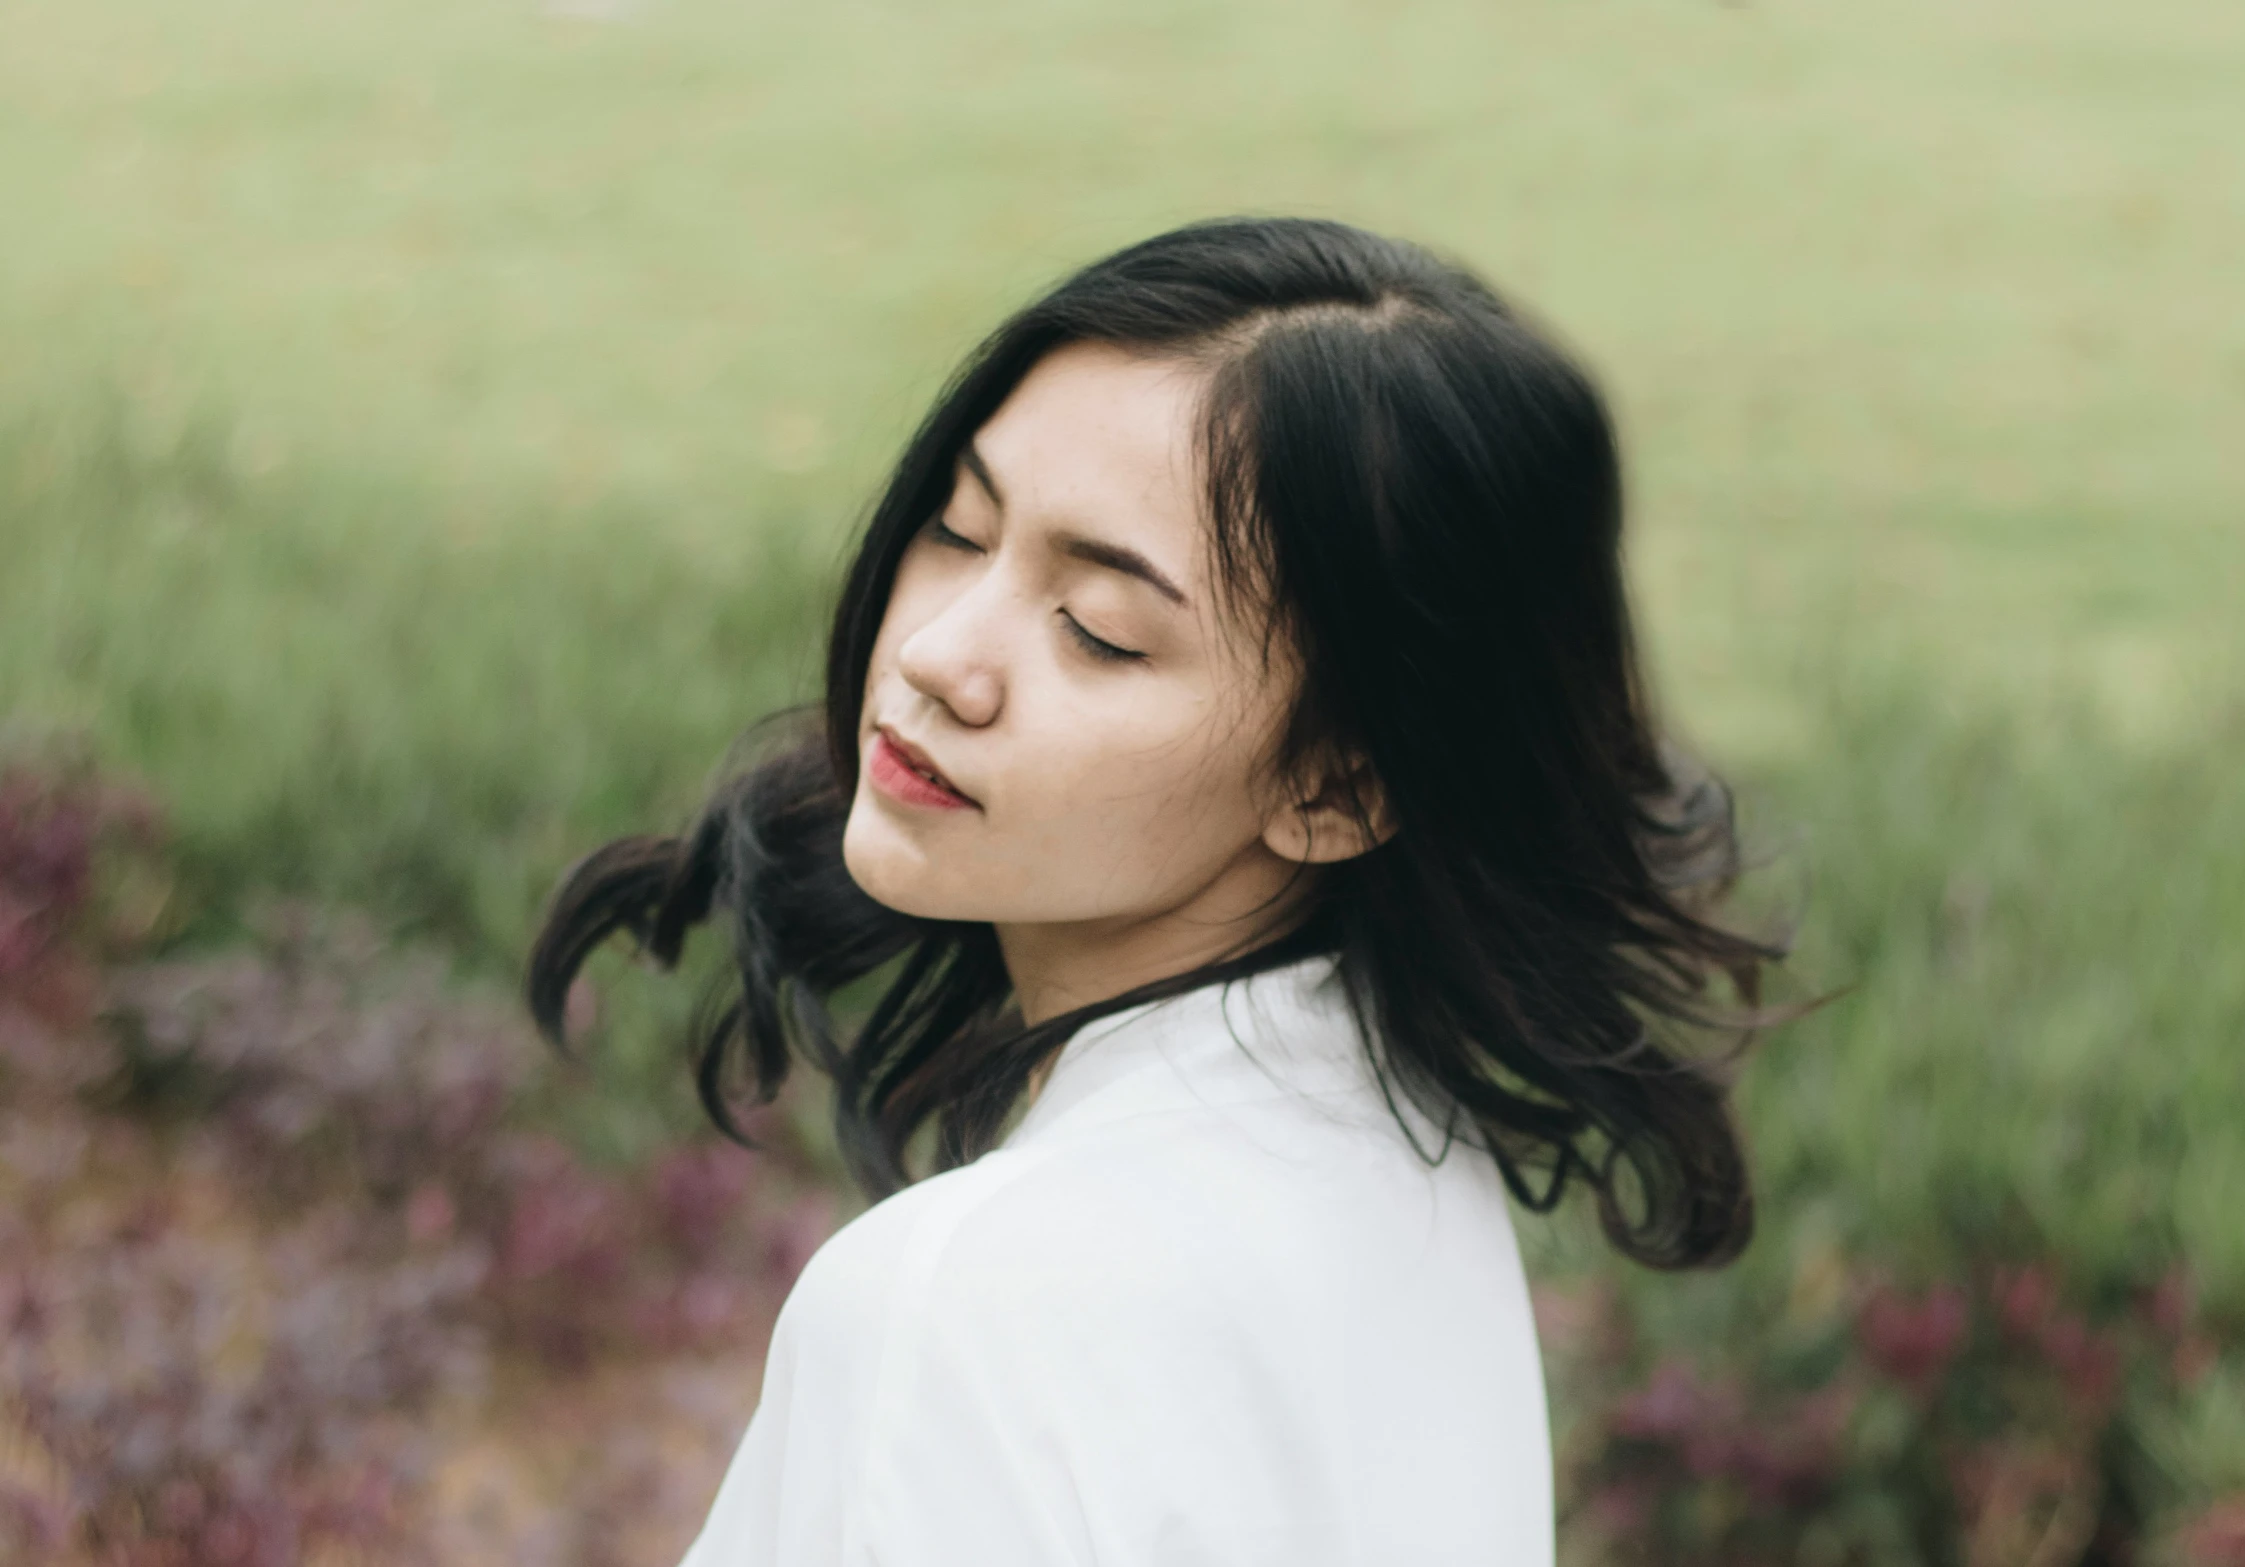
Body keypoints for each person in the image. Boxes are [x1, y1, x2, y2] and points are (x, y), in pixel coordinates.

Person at [527, 216, 1781, 1566]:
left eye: (1099, 630)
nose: (944, 653)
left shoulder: (968, 1302)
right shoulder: (1405, 1162)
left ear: (1339, 787)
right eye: (959, 528)